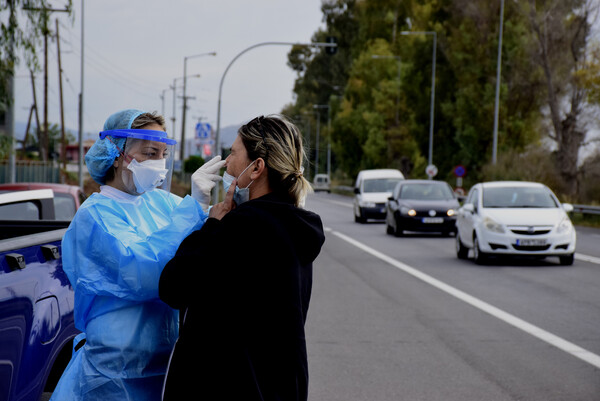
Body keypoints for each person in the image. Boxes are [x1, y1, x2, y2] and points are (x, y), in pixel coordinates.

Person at [50, 109, 225, 400]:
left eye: (163, 153)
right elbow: (142, 270)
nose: (158, 162)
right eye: (149, 152)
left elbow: (197, 252)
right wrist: (195, 206)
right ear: (118, 154)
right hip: (113, 374)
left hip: (163, 367)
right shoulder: (95, 215)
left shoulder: (163, 204)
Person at [159, 115, 326, 401]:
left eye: (234, 154)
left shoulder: (243, 226)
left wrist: (211, 225)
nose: (226, 163)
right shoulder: (297, 228)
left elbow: (173, 286)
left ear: (257, 167)